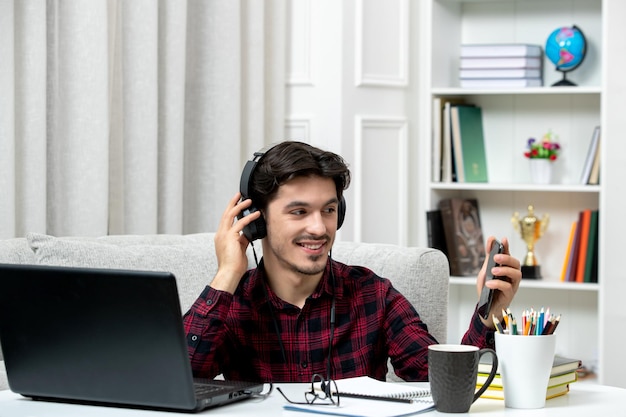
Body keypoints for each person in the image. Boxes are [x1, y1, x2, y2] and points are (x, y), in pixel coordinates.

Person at [183, 141, 521, 383]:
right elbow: (180, 381)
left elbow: (443, 379)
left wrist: (487, 315)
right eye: (299, 211)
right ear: (256, 220)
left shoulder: (373, 295)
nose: (318, 228)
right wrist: (227, 272)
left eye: (328, 210)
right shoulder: (232, 303)